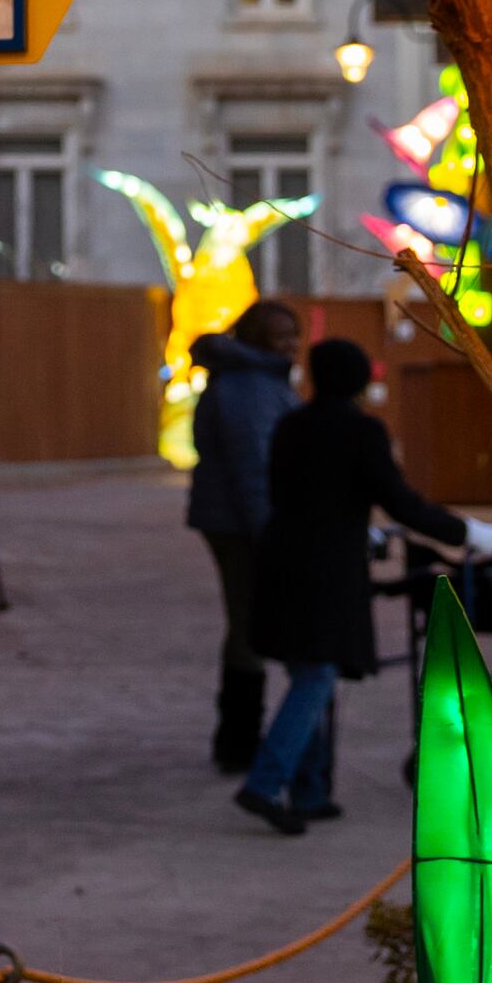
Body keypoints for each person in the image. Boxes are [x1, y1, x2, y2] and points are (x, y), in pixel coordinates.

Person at [234, 338, 492, 835]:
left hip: (280, 560)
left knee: (308, 675)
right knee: (316, 676)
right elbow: (398, 500)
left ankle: (310, 790)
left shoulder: (292, 424)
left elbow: (290, 492)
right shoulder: (361, 431)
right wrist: (467, 532)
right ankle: (266, 783)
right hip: (326, 569)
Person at [184, 299, 304, 772]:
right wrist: (267, 532)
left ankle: (236, 740)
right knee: (248, 623)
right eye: (281, 336)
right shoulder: (249, 387)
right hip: (240, 523)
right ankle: (238, 743)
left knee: (245, 621)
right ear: (258, 340)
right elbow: (253, 467)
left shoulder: (254, 380)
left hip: (232, 518)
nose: (291, 344)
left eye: (294, 334)